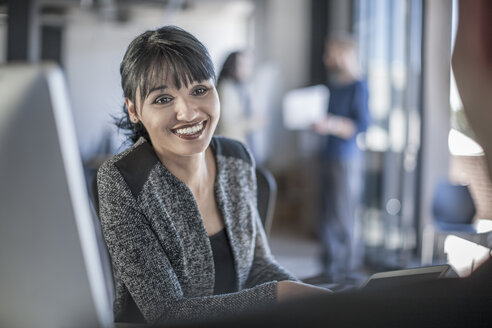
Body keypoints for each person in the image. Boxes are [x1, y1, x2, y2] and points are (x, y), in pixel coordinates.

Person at [97, 26, 328, 324]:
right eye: (163, 99)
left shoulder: (236, 159)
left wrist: (307, 300)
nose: (188, 113)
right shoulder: (122, 180)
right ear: (133, 109)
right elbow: (167, 313)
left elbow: (258, 266)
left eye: (199, 90)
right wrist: (279, 296)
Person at [311, 34, 370, 283]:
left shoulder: (359, 86)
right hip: (328, 154)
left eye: (331, 52)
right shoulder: (334, 86)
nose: (327, 58)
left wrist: (332, 125)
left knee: (344, 215)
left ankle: (347, 271)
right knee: (326, 215)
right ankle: (330, 269)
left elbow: (361, 125)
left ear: (345, 54)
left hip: (346, 159)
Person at [215, 50, 264, 157]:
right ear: (232, 66)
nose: (247, 69)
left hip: (242, 145)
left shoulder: (242, 87)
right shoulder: (226, 89)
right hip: (231, 147)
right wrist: (254, 122)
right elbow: (228, 126)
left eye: (249, 65)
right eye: (243, 65)